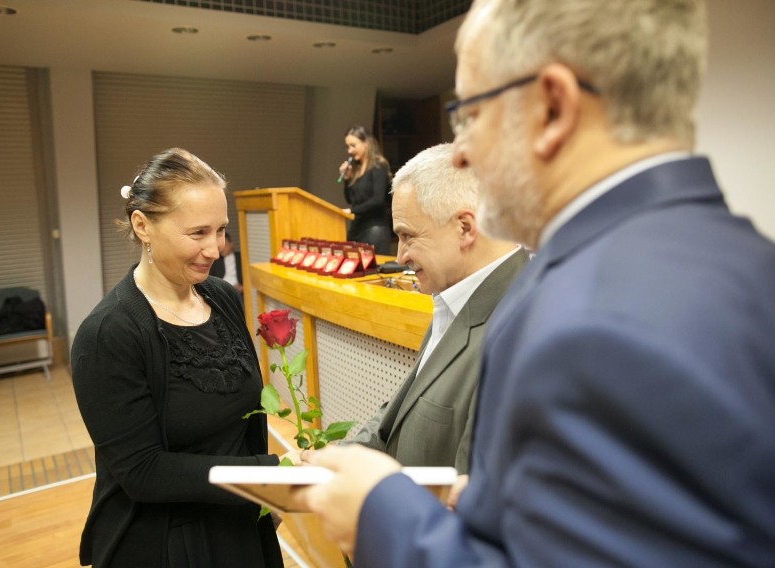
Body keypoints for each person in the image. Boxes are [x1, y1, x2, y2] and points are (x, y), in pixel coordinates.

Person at [293, 1, 775, 566]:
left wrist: (381, 514)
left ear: (551, 107)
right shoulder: (747, 262)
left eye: (469, 113)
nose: (464, 151)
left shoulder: (590, 320)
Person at [71, 148, 284, 568]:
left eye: (221, 231)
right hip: (165, 541)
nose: (215, 249)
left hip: (236, 518)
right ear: (142, 226)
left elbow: (245, 423)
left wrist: (263, 497)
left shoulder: (221, 298)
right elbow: (144, 471)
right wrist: (270, 473)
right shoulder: (108, 335)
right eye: (197, 232)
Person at [350, 143, 527, 474]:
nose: (400, 256)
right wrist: (343, 458)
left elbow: (470, 502)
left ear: (465, 228)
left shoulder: (516, 333)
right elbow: (403, 409)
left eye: (408, 236)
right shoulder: (452, 298)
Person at [339, 125, 393, 255]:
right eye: (347, 147)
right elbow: (350, 199)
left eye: (353, 145)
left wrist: (351, 211)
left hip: (374, 229)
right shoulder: (356, 169)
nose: (350, 151)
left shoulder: (378, 165)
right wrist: (346, 180)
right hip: (357, 227)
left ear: (366, 143)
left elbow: (378, 199)